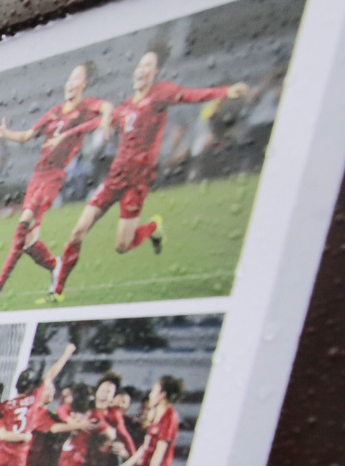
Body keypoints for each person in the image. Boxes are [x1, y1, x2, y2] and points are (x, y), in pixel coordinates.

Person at [48, 47, 249, 300]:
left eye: (148, 66)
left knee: (122, 246)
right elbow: (97, 123)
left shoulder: (160, 94)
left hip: (137, 182)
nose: (142, 70)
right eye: (140, 66)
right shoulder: (124, 107)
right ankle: (58, 291)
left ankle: (153, 227)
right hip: (115, 179)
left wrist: (224, 92)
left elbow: (190, 95)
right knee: (78, 231)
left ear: (155, 72)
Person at [0, 62, 107, 303]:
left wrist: (70, 134)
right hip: (37, 176)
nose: (70, 83)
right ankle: (54, 265)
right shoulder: (54, 112)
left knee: (23, 222)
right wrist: (5, 133)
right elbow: (27, 136)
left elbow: (104, 115)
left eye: (76, 79)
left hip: (53, 177)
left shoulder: (86, 109)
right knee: (28, 242)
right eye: (69, 79)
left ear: (84, 84)